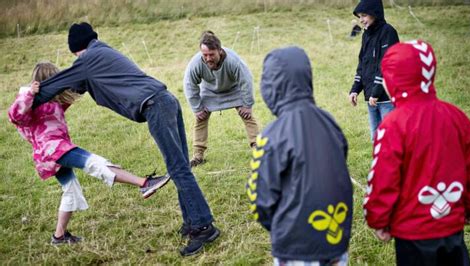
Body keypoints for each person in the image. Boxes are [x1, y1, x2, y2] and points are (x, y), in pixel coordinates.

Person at [31, 23, 219, 256]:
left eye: (75, 55)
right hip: (166, 100)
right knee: (180, 167)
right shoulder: (103, 52)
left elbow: (56, 86)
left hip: (155, 106)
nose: (76, 60)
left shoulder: (87, 59)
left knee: (178, 168)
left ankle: (203, 227)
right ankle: (193, 220)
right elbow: (78, 87)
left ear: (77, 50)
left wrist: (28, 97)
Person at [8, 62, 171, 245]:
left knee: (71, 190)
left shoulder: (52, 102)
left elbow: (72, 94)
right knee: (96, 163)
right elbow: (14, 116)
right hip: (54, 150)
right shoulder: (30, 100)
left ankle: (59, 237)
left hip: (51, 153)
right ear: (48, 79)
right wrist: (28, 93)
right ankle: (144, 183)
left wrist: (86, 76)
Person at [363, 40, 470, 265]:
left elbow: (384, 177)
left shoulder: (393, 125)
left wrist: (378, 219)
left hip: (412, 236)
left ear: (394, 80)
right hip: (452, 227)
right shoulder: (456, 116)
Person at [247, 47, 353, 265]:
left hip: (296, 249)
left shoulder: (272, 135)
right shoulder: (330, 122)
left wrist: (281, 227)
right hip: (336, 242)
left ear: (271, 85)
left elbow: (260, 199)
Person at [183, 31, 259, 167]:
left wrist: (247, 105)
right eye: (204, 55)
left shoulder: (233, 61)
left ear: (220, 50)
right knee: (200, 119)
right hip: (210, 91)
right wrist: (197, 108)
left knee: (247, 116)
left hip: (233, 89)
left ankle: (258, 149)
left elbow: (246, 81)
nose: (208, 58)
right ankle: (198, 156)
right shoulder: (196, 63)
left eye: (211, 54)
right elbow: (189, 85)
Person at [348, 0, 399, 141]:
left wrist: (376, 92)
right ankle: (379, 163)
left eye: (364, 15)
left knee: (390, 138)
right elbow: (362, 64)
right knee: (375, 139)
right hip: (371, 98)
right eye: (359, 16)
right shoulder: (366, 35)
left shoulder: (388, 32)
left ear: (374, 13)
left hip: (386, 99)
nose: (361, 20)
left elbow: (387, 65)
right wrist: (355, 89)